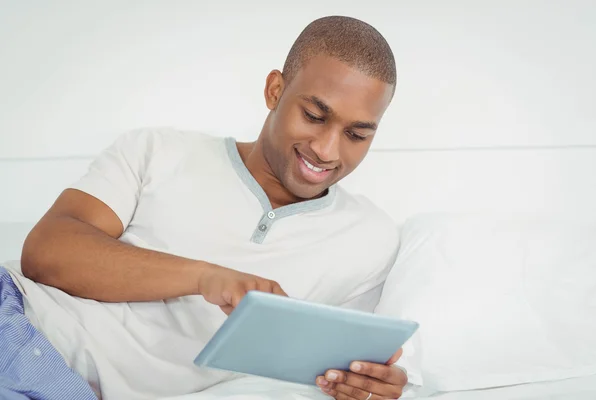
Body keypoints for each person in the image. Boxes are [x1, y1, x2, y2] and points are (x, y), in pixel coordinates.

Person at [0, 15, 407, 400]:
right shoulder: (156, 151)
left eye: (356, 134)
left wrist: (367, 384)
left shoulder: (370, 239)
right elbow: (45, 252)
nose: (326, 150)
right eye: (314, 115)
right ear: (275, 91)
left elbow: (348, 362)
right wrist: (204, 277)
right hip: (20, 327)